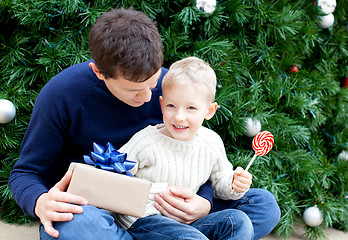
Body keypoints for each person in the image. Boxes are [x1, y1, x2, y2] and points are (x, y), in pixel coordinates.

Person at [8, 7, 280, 240]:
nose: (150, 97)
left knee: (263, 206)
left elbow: (197, 152)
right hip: (98, 209)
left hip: (168, 204)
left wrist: (204, 203)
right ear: (99, 72)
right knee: (79, 225)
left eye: (153, 83)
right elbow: (25, 173)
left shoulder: (168, 85)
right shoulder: (62, 94)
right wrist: (39, 201)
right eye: (134, 90)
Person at [114, 56, 254, 240]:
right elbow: (115, 180)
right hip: (145, 221)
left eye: (191, 108)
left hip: (188, 222)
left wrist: (234, 185)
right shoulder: (146, 142)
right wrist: (156, 192)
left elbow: (220, 184)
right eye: (171, 106)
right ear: (162, 105)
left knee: (239, 222)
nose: (179, 117)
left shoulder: (211, 142)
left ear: (209, 111)